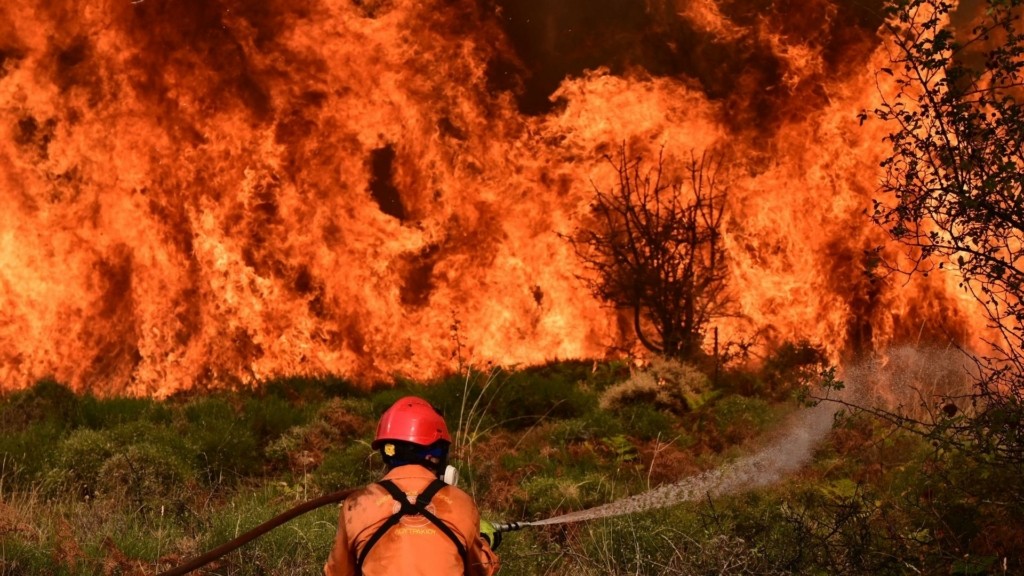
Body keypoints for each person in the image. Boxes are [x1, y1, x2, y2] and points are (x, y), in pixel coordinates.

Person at [324, 396, 501, 576]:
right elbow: (481, 570)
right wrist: (484, 541)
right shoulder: (461, 503)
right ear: (435, 455)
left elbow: (337, 572)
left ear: (386, 453)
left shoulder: (357, 504)